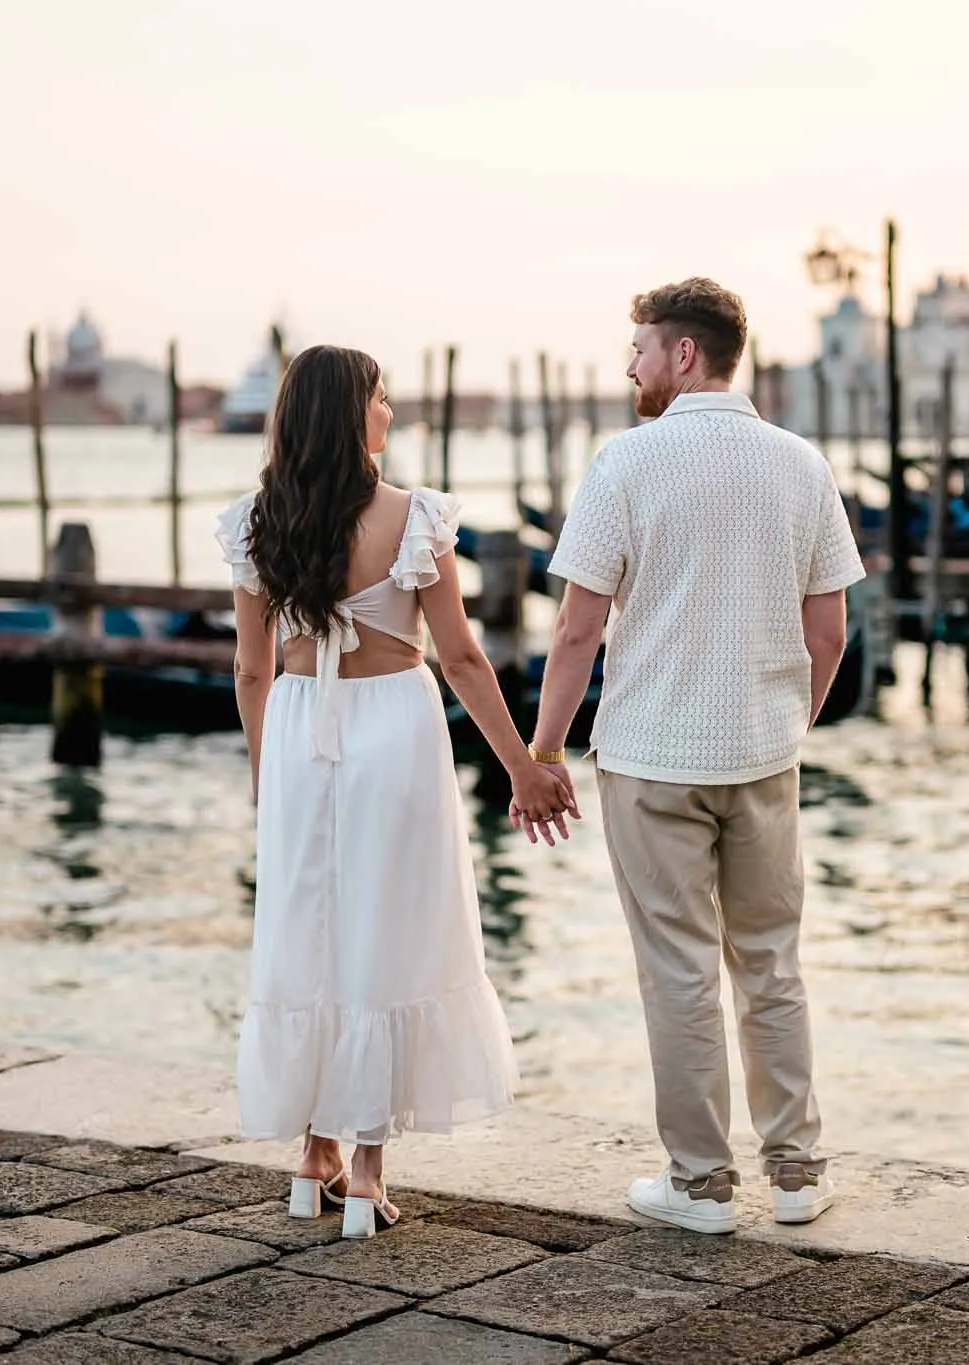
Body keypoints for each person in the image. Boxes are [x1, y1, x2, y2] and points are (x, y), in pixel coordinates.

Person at [520, 279, 864, 1234]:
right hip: (763, 756)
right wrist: (791, 723)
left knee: (677, 969)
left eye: (639, 348)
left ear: (684, 355)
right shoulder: (802, 466)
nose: (627, 364)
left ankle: (703, 1186)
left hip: (649, 757)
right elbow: (828, 631)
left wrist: (545, 747)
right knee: (771, 961)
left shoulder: (624, 462)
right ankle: (795, 1173)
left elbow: (578, 629)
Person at [217, 345, 575, 1240]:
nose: (392, 413)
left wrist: (271, 774)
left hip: (301, 734)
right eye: (381, 399)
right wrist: (522, 764)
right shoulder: (414, 517)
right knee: (393, 932)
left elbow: (251, 670)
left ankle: (312, 1156)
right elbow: (457, 656)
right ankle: (368, 1177)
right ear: (352, 415)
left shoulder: (257, 524)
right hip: (393, 733)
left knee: (310, 934)